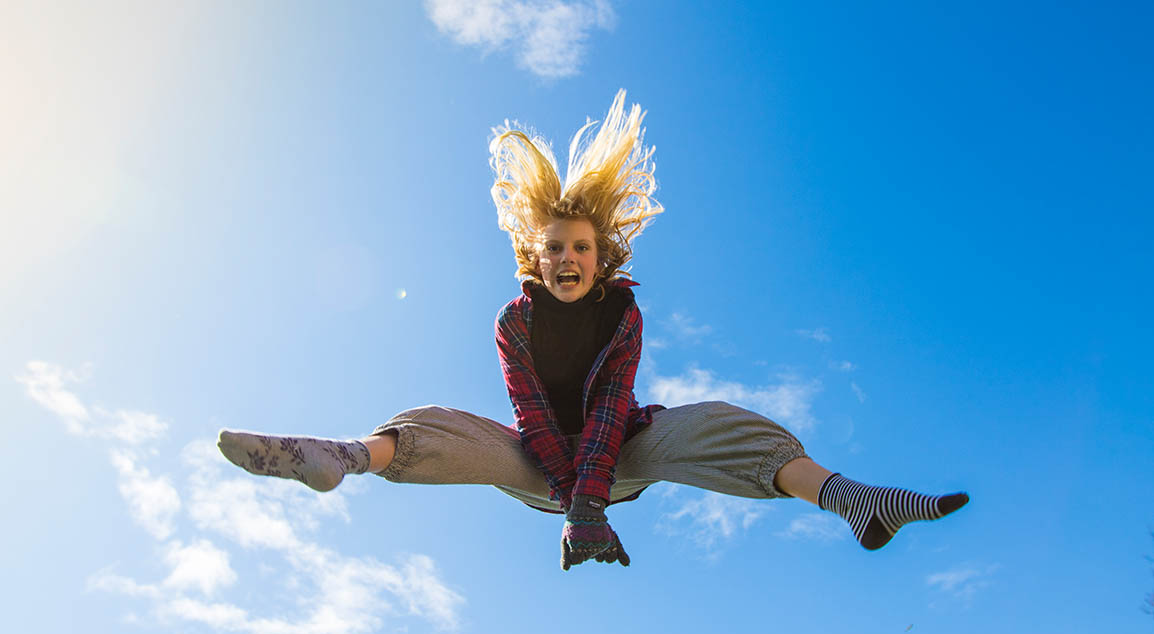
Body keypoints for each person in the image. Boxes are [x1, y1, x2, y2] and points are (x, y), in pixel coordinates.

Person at [218, 90, 968, 570]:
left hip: (620, 464)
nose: (568, 258)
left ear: (601, 256)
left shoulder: (621, 315)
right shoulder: (514, 323)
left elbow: (611, 411)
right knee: (445, 425)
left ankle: (850, 500)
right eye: (555, 249)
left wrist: (592, 507)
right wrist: (568, 498)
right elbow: (532, 416)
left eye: (581, 248)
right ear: (533, 258)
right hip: (540, 466)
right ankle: (343, 455)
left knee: (711, 422)